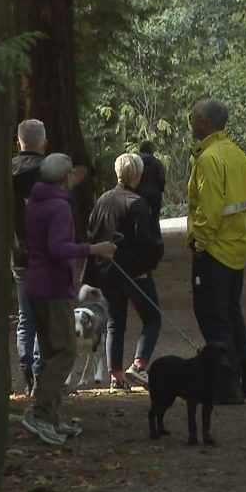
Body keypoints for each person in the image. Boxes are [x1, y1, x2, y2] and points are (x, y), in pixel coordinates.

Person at [22, 153, 117, 445]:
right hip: (53, 287)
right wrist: (95, 248)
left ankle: (51, 417)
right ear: (65, 178)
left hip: (37, 283)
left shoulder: (35, 201)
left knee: (52, 351)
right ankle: (39, 414)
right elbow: (58, 247)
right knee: (64, 352)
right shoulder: (59, 207)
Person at [186, 98, 246, 404]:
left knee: (213, 316)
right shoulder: (236, 154)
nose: (191, 124)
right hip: (236, 248)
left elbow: (210, 209)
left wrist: (199, 243)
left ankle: (227, 383)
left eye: (193, 119)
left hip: (215, 251)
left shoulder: (208, 158)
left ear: (204, 123)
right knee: (231, 313)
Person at [84, 153, 164, 391]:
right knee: (152, 317)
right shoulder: (137, 203)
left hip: (108, 271)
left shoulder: (103, 200)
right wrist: (155, 256)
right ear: (138, 175)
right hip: (134, 272)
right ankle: (139, 366)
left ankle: (116, 377)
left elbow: (92, 231)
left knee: (115, 323)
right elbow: (145, 240)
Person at [11, 119, 47, 396]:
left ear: (18, 143)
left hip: (19, 253)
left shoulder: (8, 171)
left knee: (26, 316)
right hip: (46, 254)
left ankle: (27, 373)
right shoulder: (49, 170)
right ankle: (38, 369)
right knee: (44, 314)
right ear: (43, 143)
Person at [135, 140, 167, 224]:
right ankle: (156, 235)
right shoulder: (157, 163)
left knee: (141, 219)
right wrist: (160, 189)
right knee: (155, 219)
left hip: (139, 193)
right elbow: (161, 179)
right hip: (155, 193)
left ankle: (143, 235)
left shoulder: (136, 163)